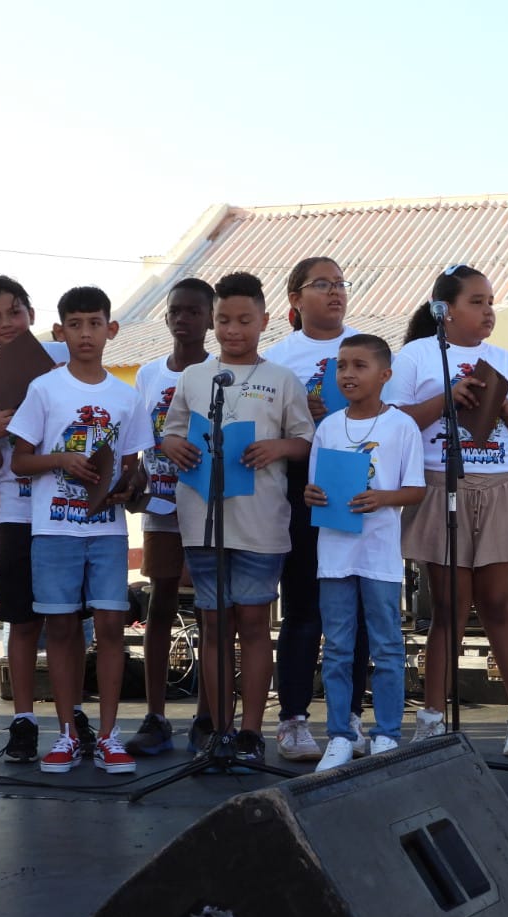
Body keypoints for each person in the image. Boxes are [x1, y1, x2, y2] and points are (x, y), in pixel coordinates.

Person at [385, 264, 508, 756]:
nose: (488, 310)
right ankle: (432, 717)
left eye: (490, 301)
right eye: (476, 301)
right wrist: (446, 399)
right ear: (444, 310)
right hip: (441, 486)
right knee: (449, 610)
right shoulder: (416, 356)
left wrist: (507, 412)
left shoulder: (504, 360)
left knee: (498, 603)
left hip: (496, 486)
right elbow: (392, 421)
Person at [160, 272, 314, 766]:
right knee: (212, 623)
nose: (232, 330)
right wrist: (173, 445)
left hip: (261, 519)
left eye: (244, 320)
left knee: (252, 621)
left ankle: (251, 731)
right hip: (204, 516)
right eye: (224, 320)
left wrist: (277, 447)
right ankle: (219, 729)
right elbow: (171, 433)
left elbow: (305, 440)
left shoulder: (281, 379)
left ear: (264, 321)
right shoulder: (195, 377)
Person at [8, 286, 154, 774]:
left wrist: (129, 486)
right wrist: (62, 459)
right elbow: (21, 460)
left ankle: (110, 735)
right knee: (62, 627)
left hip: (108, 530)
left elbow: (133, 466)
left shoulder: (125, 394)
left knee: (112, 626)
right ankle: (69, 733)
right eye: (75, 324)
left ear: (111, 329)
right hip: (53, 529)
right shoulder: (45, 389)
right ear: (60, 331)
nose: (85, 334)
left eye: (95, 323)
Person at [0, 275, 95, 765]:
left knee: (70, 623)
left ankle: (73, 713)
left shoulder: (63, 360)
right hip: (18, 512)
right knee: (22, 620)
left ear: (33, 316)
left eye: (14, 312)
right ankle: (22, 719)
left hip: (67, 509)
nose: (6, 324)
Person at [263, 256, 370, 762]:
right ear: (295, 299)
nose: (335, 292)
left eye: (340, 283)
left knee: (357, 609)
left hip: (355, 489)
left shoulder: (365, 350)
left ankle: (349, 718)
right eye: (322, 284)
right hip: (300, 491)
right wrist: (297, 416)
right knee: (304, 607)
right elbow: (263, 432)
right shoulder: (278, 359)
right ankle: (293, 720)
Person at [304, 334, 425, 771]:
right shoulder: (329, 427)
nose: (348, 374)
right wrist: (312, 495)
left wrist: (383, 498)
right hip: (335, 553)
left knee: (387, 646)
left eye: (359, 366)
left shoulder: (401, 426)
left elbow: (416, 490)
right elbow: (315, 488)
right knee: (337, 646)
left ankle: (386, 734)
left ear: (385, 374)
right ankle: (339, 734)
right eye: (342, 366)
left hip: (379, 557)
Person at [122, 277, 214, 757]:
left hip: (210, 506)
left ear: (210, 317)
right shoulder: (149, 374)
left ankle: (208, 717)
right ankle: (156, 717)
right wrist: (136, 476)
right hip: (160, 505)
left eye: (194, 311)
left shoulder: (221, 372)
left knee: (210, 609)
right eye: (176, 311)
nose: (184, 319)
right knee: (159, 604)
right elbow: (140, 437)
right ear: (166, 317)